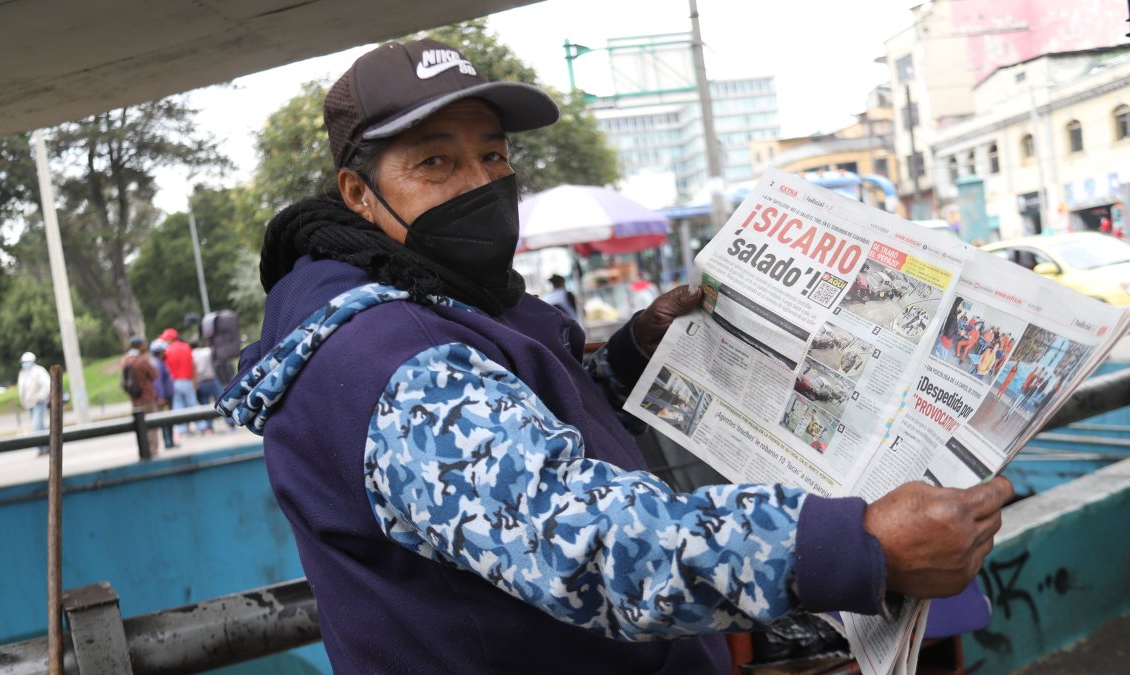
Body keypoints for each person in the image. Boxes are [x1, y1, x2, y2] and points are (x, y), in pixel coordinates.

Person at [217, 39, 1011, 674]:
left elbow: (511, 435)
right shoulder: (387, 356)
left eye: (493, 155)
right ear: (358, 194)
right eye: (436, 161)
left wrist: (629, 357)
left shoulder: (452, 301)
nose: (481, 182)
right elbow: (586, 545)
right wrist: (857, 542)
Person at [122, 337, 159, 457]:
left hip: (134, 398)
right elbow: (153, 375)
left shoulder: (125, 360)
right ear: (139, 346)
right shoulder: (142, 360)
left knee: (139, 425)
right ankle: (152, 450)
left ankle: (143, 450)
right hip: (146, 396)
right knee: (151, 424)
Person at [159, 327, 197, 440]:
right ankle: (203, 428)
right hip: (187, 380)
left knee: (178, 407)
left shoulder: (167, 351)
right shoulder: (186, 347)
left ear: (170, 339)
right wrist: (195, 379)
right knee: (193, 405)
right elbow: (193, 363)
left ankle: (181, 431)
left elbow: (165, 368)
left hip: (174, 382)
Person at [16, 352, 52, 456]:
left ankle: (44, 447)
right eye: (23, 362)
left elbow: (47, 385)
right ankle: (43, 447)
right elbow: (22, 389)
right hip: (28, 403)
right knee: (38, 426)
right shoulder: (22, 373)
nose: (25, 364)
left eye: (27, 362)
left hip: (38, 402)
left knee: (37, 425)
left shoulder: (39, 371)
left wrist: (40, 397)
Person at [150, 339, 177, 449]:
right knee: (166, 420)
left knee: (169, 419)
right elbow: (158, 382)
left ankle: (170, 440)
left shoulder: (160, 363)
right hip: (164, 397)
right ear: (160, 351)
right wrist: (161, 397)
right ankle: (168, 442)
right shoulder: (157, 364)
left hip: (167, 395)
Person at [192, 340, 223, 434]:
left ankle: (209, 427)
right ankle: (231, 424)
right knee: (222, 402)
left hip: (201, 382)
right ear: (199, 344)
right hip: (212, 380)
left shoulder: (192, 354)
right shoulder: (207, 351)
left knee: (205, 405)